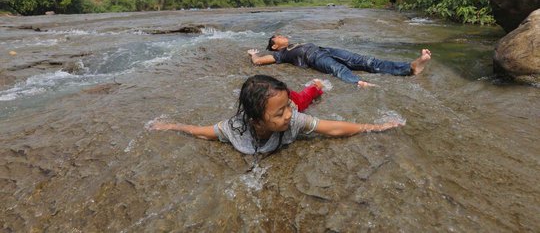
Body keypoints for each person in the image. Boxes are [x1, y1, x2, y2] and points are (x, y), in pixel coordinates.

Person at [150, 75, 402, 155]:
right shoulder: (234, 128)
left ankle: (316, 86)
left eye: (287, 107)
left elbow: (333, 128)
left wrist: (375, 127)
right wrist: (172, 126)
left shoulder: (293, 120)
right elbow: (202, 132)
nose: (289, 115)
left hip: (295, 103)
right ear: (256, 120)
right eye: (281, 112)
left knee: (306, 99)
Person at [248, 35, 431, 87]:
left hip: (325, 50)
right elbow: (258, 62)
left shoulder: (293, 44)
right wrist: (253, 54)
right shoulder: (279, 55)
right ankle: (359, 83)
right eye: (278, 37)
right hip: (314, 58)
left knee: (366, 61)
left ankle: (410, 67)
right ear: (274, 46)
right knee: (338, 69)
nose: (282, 36)